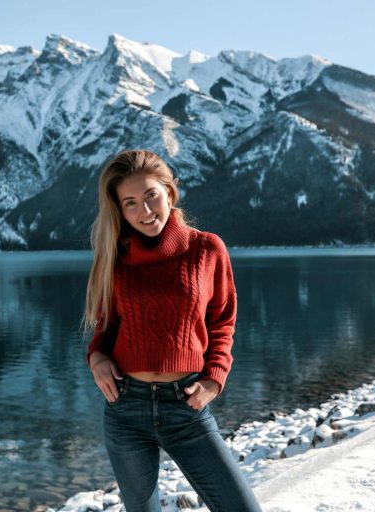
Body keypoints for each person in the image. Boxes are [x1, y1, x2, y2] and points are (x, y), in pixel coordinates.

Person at [82, 149, 263, 511]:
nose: (145, 211)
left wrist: (215, 377)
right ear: (119, 210)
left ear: (169, 190)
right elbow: (106, 327)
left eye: (151, 196)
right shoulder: (115, 258)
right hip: (124, 406)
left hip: (186, 405)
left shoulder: (207, 248)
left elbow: (222, 320)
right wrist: (97, 357)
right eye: (130, 203)